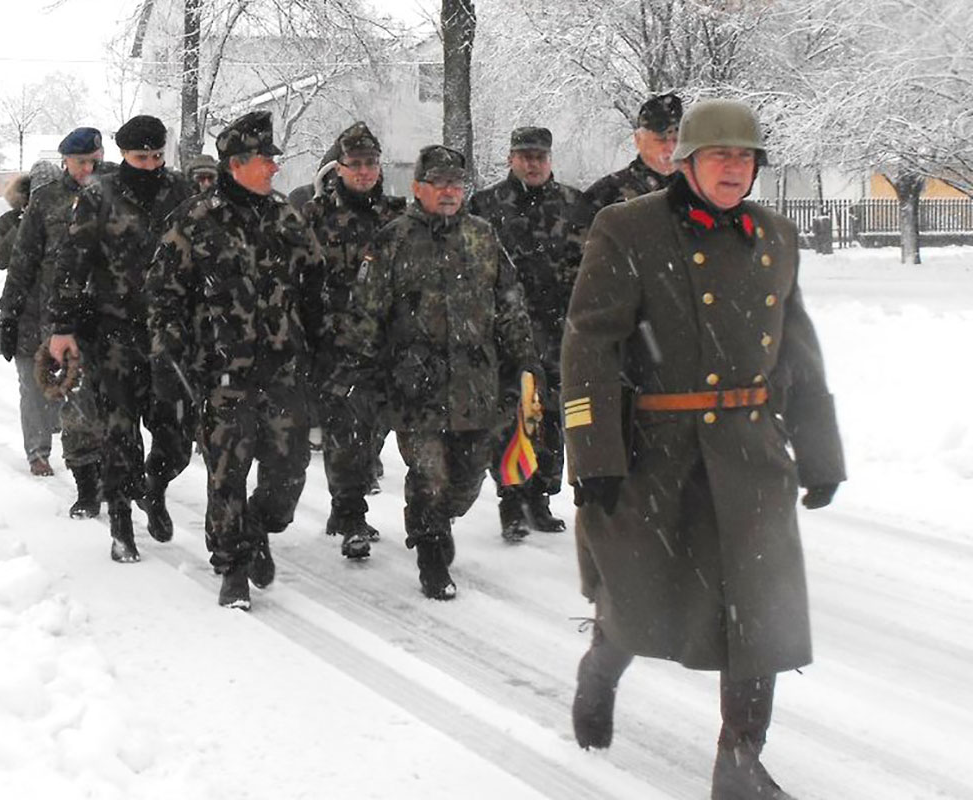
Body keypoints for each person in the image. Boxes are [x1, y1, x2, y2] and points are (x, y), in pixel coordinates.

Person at [561, 99, 845, 799]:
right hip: (660, 452)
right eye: (719, 155)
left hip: (753, 455)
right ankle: (601, 670)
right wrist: (594, 457)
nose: (734, 168)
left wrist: (819, 450)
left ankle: (739, 760)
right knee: (640, 596)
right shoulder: (626, 229)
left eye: (745, 156)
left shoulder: (775, 236)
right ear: (684, 161)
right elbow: (590, 346)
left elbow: (797, 350)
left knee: (761, 610)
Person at [330, 145, 537, 600]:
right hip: (414, 385)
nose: (448, 192)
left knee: (466, 480)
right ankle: (431, 555)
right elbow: (365, 312)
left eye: (456, 184)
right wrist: (356, 369)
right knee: (429, 476)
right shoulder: (392, 241)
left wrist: (525, 360)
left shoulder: (483, 236)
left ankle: (440, 521)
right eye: (439, 183)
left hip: (475, 384)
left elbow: (510, 303)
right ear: (418, 187)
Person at [147, 110, 325, 610]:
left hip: (283, 370)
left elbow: (316, 288)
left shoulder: (286, 217)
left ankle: (257, 527)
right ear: (237, 163)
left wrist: (323, 349)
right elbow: (163, 296)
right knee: (227, 472)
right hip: (222, 373)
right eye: (266, 159)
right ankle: (233, 567)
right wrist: (170, 359)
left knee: (287, 476)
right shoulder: (194, 220)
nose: (273, 168)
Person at [47, 114, 197, 563]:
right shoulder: (99, 196)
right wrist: (62, 327)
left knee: (175, 432)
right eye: (140, 157)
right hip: (114, 329)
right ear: (123, 154)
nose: (150, 165)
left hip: (171, 333)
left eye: (156, 156)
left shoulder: (183, 193)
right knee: (119, 431)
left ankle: (154, 486)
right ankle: (121, 523)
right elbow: (72, 263)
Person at [470, 126, 585, 542]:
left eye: (539, 156)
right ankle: (511, 499)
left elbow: (589, 266)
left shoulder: (574, 205)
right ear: (511, 158)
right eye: (525, 156)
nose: (533, 163)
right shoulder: (485, 205)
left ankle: (541, 496)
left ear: (550, 159)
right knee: (509, 417)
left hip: (559, 330)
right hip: (504, 329)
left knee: (551, 416)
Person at [302, 121, 405, 559]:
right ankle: (350, 516)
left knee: (375, 432)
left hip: (386, 343)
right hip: (336, 344)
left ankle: (346, 505)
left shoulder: (399, 217)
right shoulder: (314, 217)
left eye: (371, 164)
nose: (364, 172)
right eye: (355, 164)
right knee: (346, 433)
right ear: (338, 168)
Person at [0, 128, 108, 517]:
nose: (89, 169)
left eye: (95, 160)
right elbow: (22, 261)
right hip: (59, 320)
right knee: (73, 401)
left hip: (111, 317)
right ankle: (84, 482)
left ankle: (114, 475)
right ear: (66, 161)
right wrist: (8, 315)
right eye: (81, 162)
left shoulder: (115, 192)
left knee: (112, 403)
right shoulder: (47, 201)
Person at [0, 163, 63, 477]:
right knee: (31, 389)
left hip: (65, 316)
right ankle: (37, 453)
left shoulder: (71, 219)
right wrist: (26, 222)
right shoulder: (10, 222)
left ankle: (66, 437)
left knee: (65, 387)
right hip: (24, 316)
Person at [577, 92, 682, 222]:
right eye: (661, 140)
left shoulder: (702, 189)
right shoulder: (605, 195)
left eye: (677, 139)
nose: (671, 148)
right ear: (638, 140)